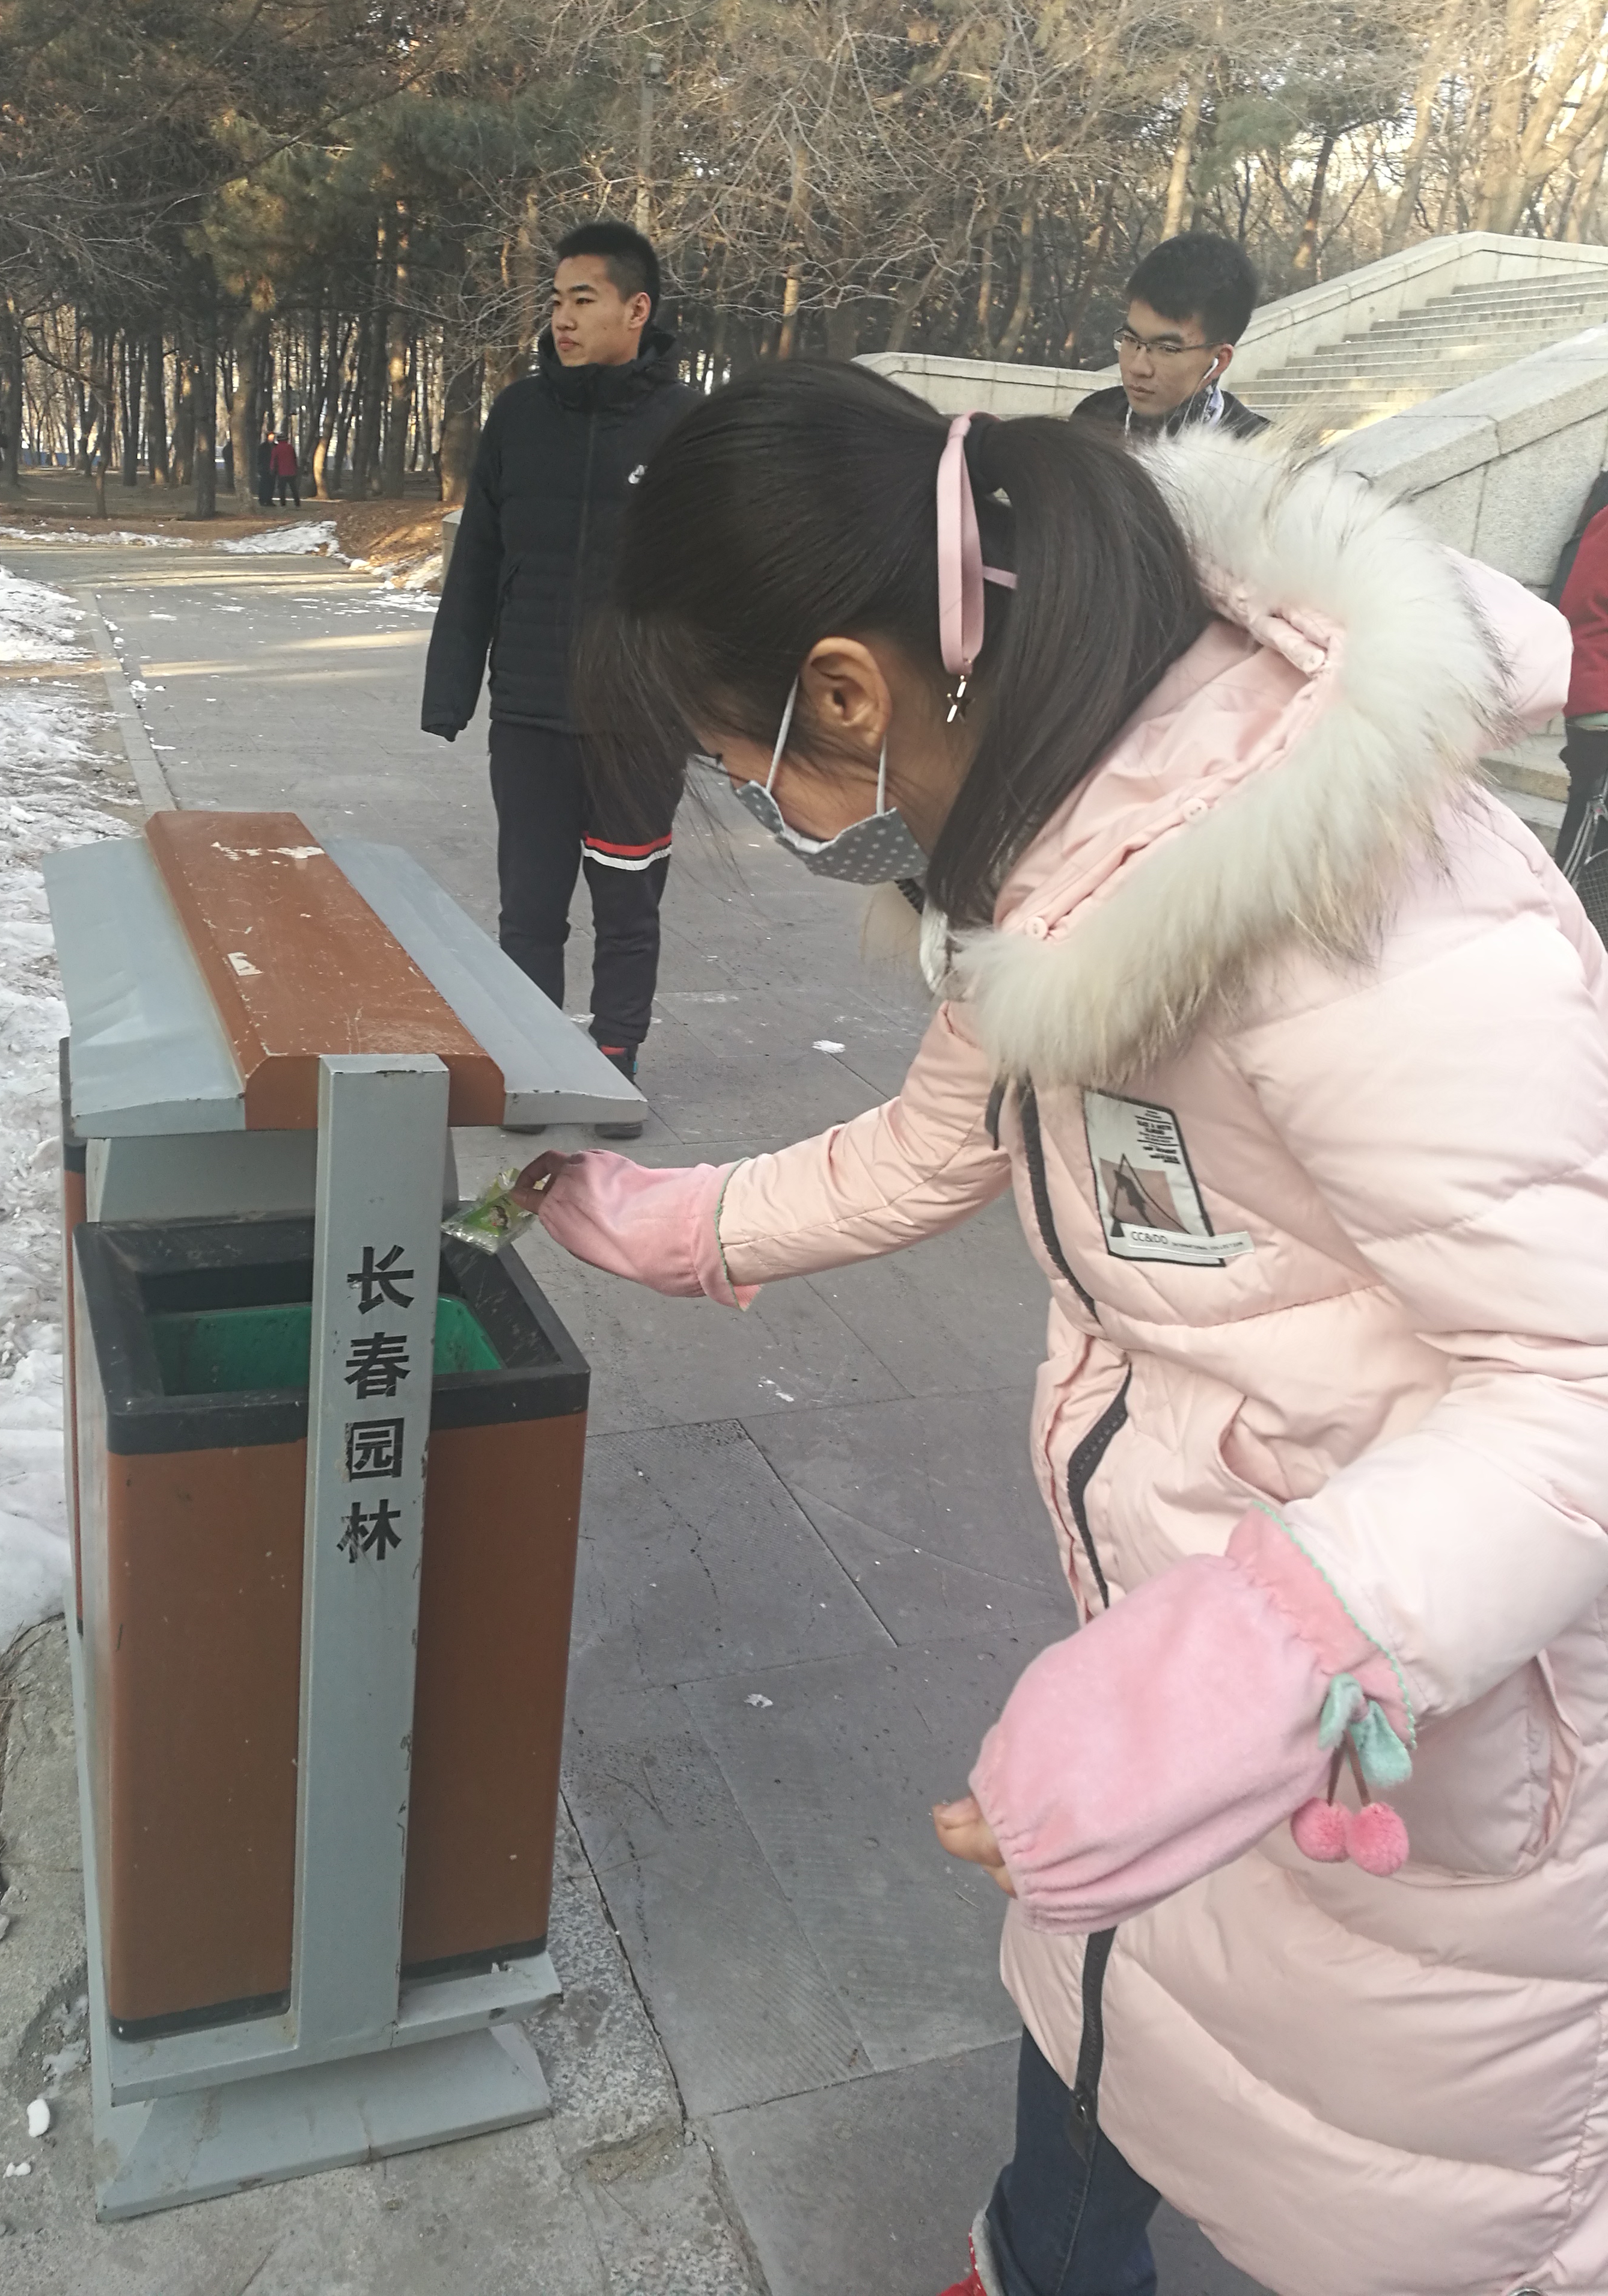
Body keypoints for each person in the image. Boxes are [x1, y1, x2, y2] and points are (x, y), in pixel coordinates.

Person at [514, 361, 1605, 2296]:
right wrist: (672, 1222)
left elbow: (1580, 1380)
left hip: (1413, 1711)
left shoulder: (1358, 904)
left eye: (746, 763)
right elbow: (939, 1140)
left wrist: (1251, 1653)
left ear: (846, 692)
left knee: (1400, 2173)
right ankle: (1038, 2257)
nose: (768, 811)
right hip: (1194, 1614)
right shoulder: (1051, 834)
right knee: (1115, 1988)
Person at [420, 221, 692, 1125]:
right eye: (556, 300)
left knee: (627, 903)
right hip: (531, 714)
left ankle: (615, 1059)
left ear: (636, 309)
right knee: (530, 908)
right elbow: (479, 556)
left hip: (638, 722)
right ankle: (534, 1062)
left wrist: (718, 713)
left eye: (583, 300)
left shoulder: (685, 426)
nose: (562, 319)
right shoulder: (520, 416)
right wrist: (451, 689)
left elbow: (720, 579)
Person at [1074, 234, 1269, 441]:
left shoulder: (1258, 450)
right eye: (1131, 340)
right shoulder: (1092, 418)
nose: (1138, 368)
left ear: (1219, 360)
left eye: (1167, 349)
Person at [1556, 496, 1608, 870]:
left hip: (1595, 696)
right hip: (1600, 702)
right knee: (1591, 836)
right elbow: (1584, 613)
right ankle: (1571, 901)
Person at [273, 430, 301, 507]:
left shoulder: (276, 449)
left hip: (281, 472)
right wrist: (296, 468)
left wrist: (273, 469)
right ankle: (297, 503)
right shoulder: (290, 447)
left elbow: (274, 460)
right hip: (291, 471)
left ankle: (283, 503)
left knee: (282, 489)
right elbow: (294, 459)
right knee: (294, 488)